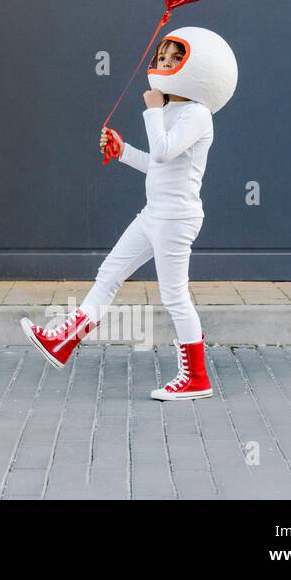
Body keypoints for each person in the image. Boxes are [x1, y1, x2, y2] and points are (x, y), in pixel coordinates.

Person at [20, 27, 239, 401]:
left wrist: (153, 111)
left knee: (173, 296)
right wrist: (122, 150)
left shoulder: (198, 115)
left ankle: (196, 378)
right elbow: (157, 164)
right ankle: (62, 343)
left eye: (175, 58)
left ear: (198, 65)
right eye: (163, 57)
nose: (165, 63)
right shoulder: (169, 110)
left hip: (176, 219)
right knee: (109, 273)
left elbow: (165, 150)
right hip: (153, 214)